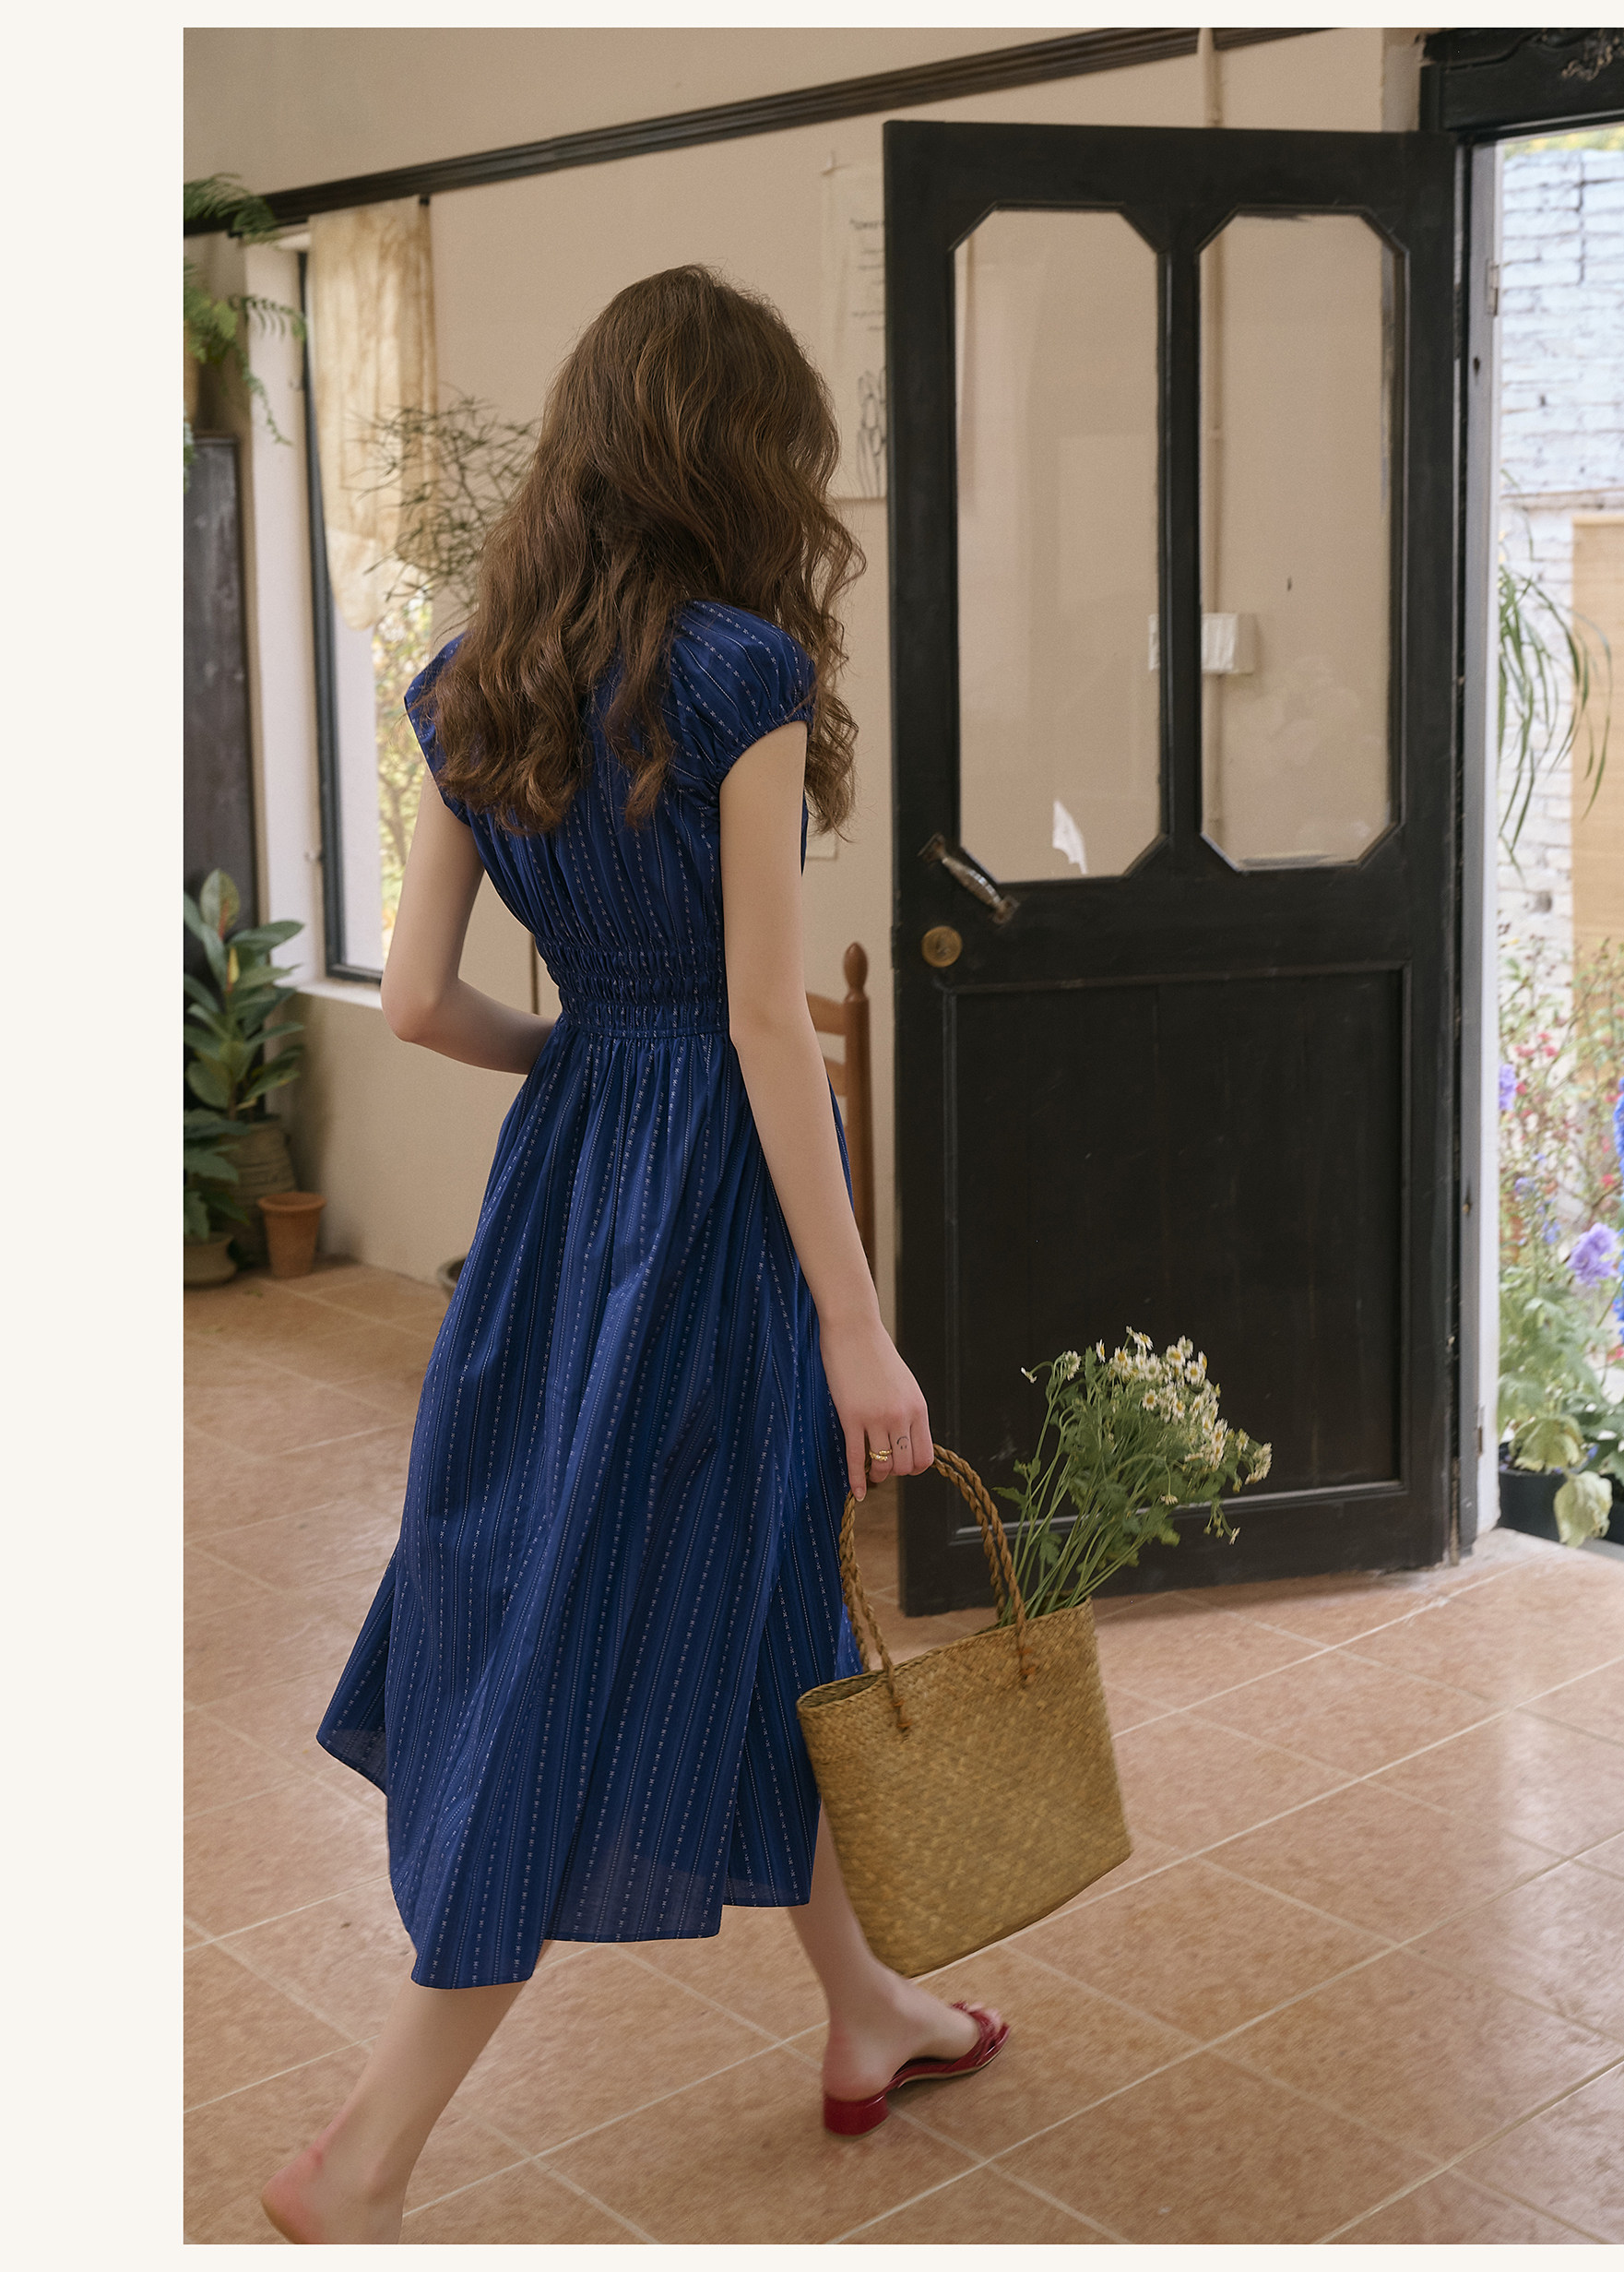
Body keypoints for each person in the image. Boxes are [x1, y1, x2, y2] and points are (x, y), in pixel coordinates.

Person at [261, 266, 1006, 2245]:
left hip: (568, 1187)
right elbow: (767, 1026)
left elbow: (418, 1002)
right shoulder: (741, 674)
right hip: (718, 1214)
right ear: (737, 458)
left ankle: (869, 2008)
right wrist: (859, 1325)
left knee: (753, 1597)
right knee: (596, 1628)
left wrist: (588, 1064)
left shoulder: (474, 678)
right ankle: (363, 2159)